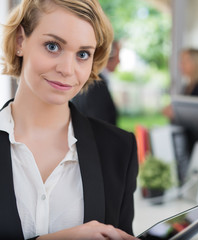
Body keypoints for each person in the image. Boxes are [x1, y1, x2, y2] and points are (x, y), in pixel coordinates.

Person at [0, 0, 138, 239]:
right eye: (52, 46)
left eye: (83, 54)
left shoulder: (118, 149)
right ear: (20, 41)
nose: (67, 69)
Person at [72, 41, 120, 125]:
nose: (119, 61)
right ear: (108, 57)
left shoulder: (90, 79)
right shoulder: (96, 84)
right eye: (118, 56)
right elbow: (99, 124)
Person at [163, 48, 198, 119]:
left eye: (184, 62)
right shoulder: (187, 87)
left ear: (196, 64)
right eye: (181, 62)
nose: (180, 66)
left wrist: (175, 113)